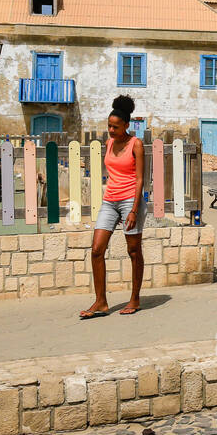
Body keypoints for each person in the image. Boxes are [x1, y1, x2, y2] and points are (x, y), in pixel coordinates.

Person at [80, 95, 146, 318]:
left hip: (130, 201)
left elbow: (139, 179)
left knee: (133, 251)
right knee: (97, 250)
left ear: (127, 125)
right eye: (109, 126)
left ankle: (135, 298)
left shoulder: (135, 144)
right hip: (110, 200)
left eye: (115, 127)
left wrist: (134, 210)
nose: (110, 130)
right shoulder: (108, 143)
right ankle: (101, 302)